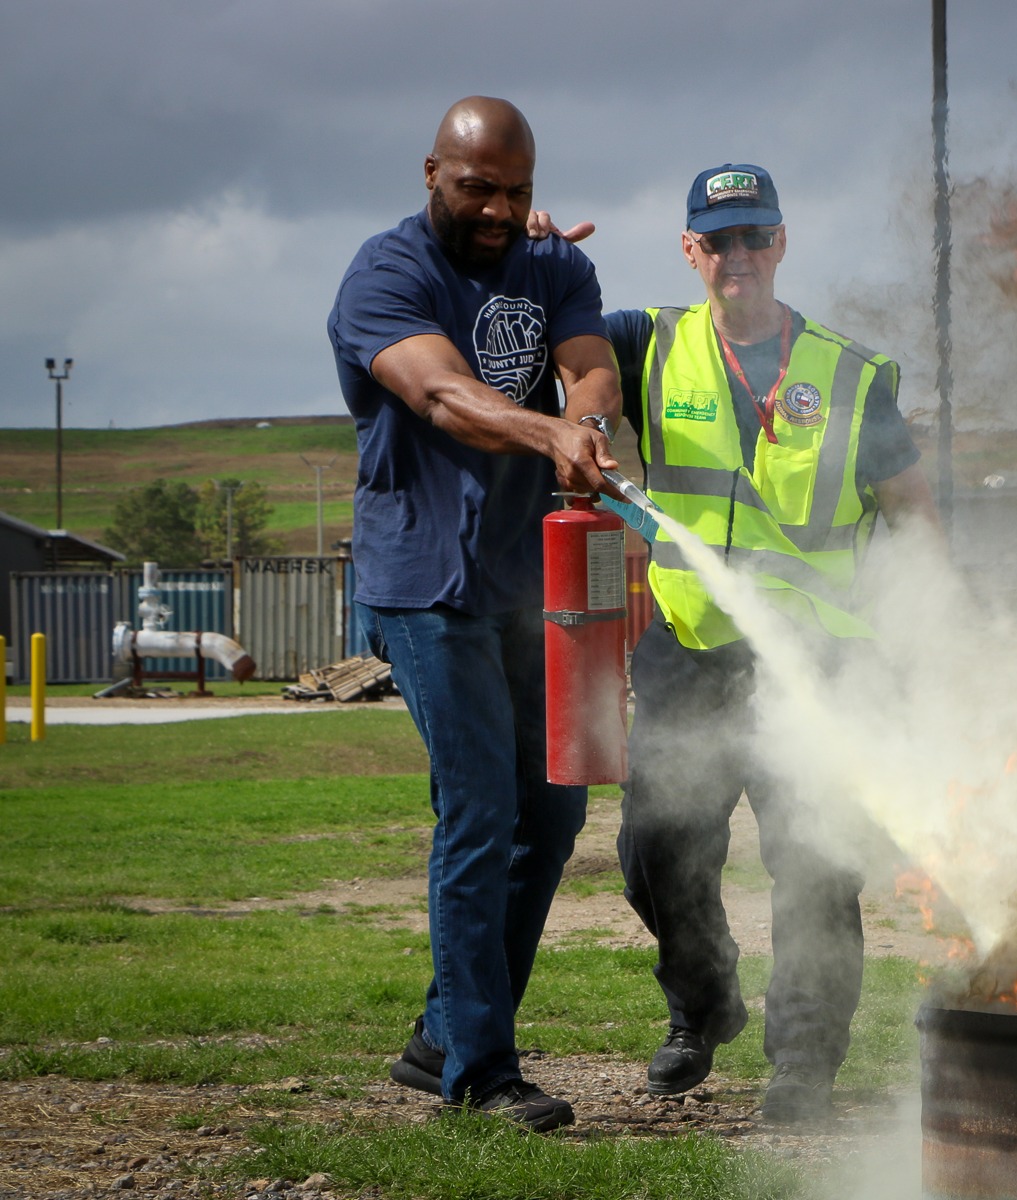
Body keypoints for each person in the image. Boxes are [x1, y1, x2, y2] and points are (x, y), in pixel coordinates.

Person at [566, 163, 941, 1123]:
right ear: (690, 250)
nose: (737, 256)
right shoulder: (644, 346)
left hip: (816, 659)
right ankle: (704, 1004)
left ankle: (804, 1061)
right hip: (691, 650)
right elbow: (551, 349)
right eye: (717, 239)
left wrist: (937, 647)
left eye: (754, 236)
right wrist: (533, 253)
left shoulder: (851, 376)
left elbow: (917, 521)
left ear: (781, 243)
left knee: (815, 862)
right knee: (655, 850)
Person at [326, 96, 624, 1133]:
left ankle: (438, 1036)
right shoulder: (385, 275)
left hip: (521, 583)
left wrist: (585, 422)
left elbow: (591, 365)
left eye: (518, 192)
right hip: (420, 585)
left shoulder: (553, 265)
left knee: (555, 811)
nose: (499, 210)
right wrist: (550, 436)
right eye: (478, 189)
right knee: (482, 806)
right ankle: (482, 1075)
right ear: (430, 175)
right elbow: (446, 396)